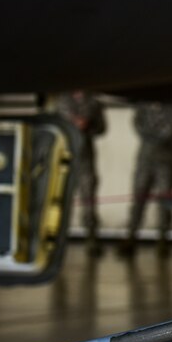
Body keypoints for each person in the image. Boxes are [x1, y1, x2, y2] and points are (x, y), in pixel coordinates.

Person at [121, 102, 172, 257]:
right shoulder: (142, 107)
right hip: (145, 160)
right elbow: (139, 127)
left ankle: (163, 240)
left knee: (165, 203)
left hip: (165, 160)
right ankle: (131, 238)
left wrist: (155, 135)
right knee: (138, 201)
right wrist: (156, 135)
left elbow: (169, 130)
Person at [55, 91, 107, 255]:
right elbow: (54, 126)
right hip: (65, 159)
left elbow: (101, 128)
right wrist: (72, 124)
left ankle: (91, 239)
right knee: (61, 203)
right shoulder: (61, 101)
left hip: (86, 160)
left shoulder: (93, 103)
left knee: (89, 202)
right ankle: (57, 241)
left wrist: (88, 125)